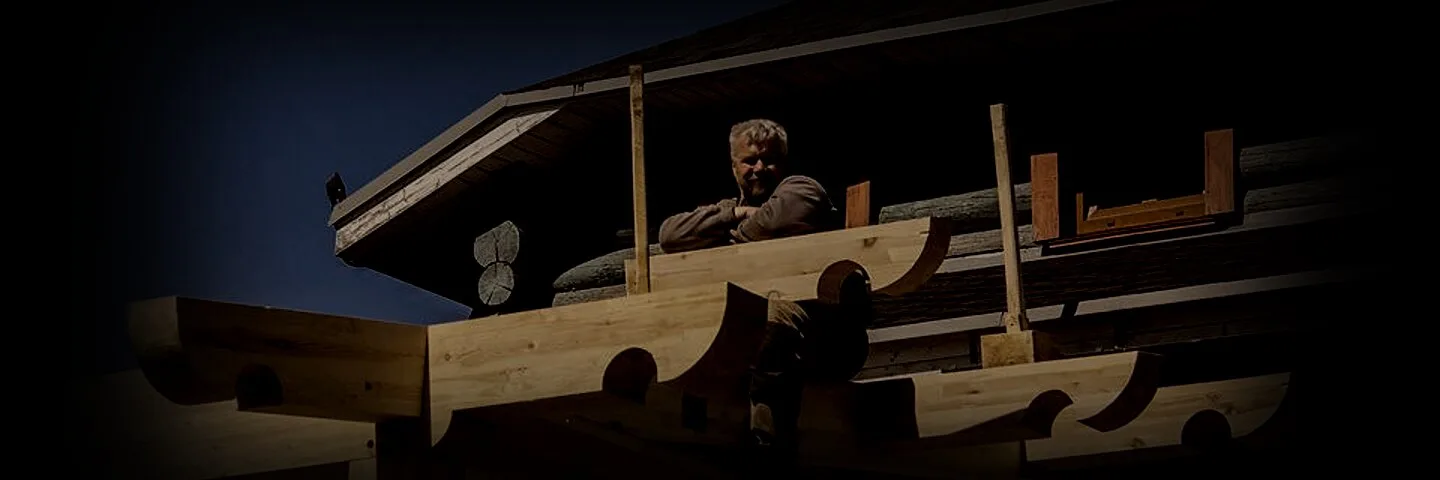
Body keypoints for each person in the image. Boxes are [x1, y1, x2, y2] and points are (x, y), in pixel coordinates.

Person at [657, 119, 867, 455]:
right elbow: (669, 235)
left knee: (770, 314)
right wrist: (736, 214)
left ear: (783, 162)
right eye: (749, 160)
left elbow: (775, 220)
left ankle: (769, 437)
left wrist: (724, 235)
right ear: (733, 166)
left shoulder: (802, 189)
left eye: (768, 160)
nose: (758, 168)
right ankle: (694, 424)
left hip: (825, 337)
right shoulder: (728, 209)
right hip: (745, 345)